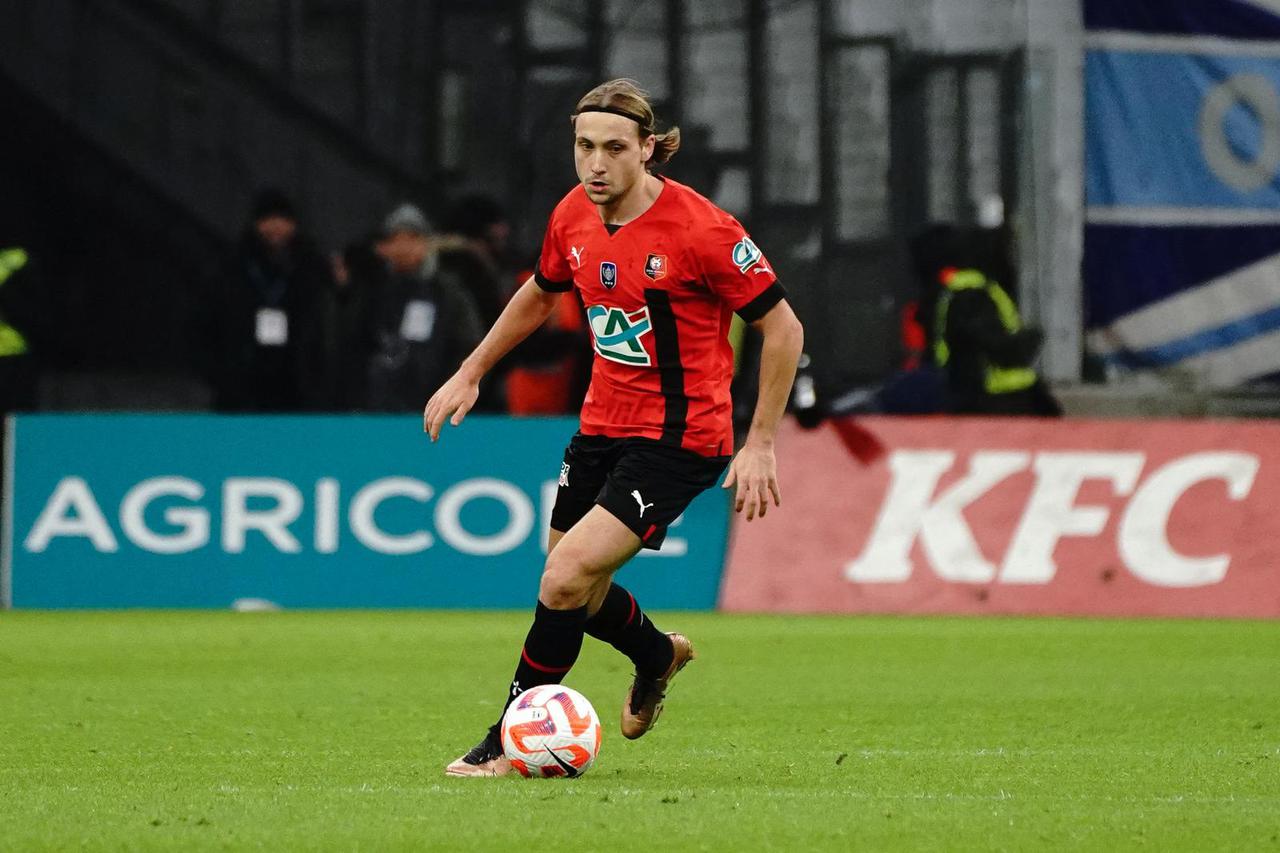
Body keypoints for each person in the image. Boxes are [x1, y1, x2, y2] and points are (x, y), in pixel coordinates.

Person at [423, 79, 804, 777]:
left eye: (613, 149)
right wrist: (471, 369)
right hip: (602, 423)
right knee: (571, 583)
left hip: (682, 436)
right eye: (584, 146)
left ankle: (509, 740)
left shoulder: (704, 230)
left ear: (649, 150)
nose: (595, 164)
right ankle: (657, 653)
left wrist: (761, 440)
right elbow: (541, 293)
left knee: (565, 576)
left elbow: (782, 326)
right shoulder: (572, 213)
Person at [196, 189, 333, 411]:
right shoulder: (232, 268)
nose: (276, 227)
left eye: (283, 220)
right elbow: (204, 324)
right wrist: (220, 374)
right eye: (268, 219)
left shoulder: (311, 268)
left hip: (295, 390)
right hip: (240, 389)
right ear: (255, 223)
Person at [366, 203, 484, 411]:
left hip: (435, 402)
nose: (404, 247)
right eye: (396, 239)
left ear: (427, 243)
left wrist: (450, 391)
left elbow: (471, 344)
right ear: (385, 246)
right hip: (377, 405)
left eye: (412, 238)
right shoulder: (372, 288)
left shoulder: (447, 291)